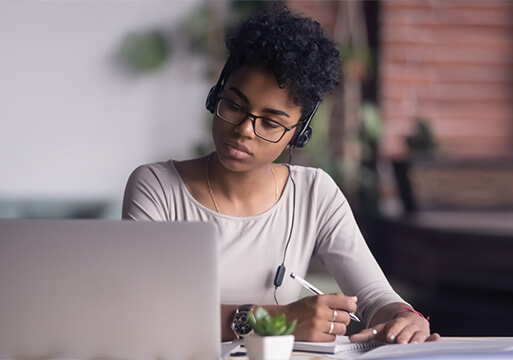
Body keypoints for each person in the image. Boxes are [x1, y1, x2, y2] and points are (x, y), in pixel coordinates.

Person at [122, 5, 439, 344]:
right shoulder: (157, 188)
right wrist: (277, 318)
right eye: (233, 105)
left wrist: (405, 319)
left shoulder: (314, 193)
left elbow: (375, 296)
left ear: (298, 134)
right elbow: (146, 312)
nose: (244, 129)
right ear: (216, 95)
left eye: (270, 123)